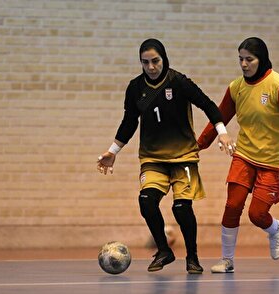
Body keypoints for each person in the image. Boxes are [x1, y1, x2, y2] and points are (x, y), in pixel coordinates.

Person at [97, 38, 235, 274]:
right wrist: (113, 151)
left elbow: (209, 104)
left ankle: (192, 257)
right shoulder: (135, 88)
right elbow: (129, 123)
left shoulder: (178, 81)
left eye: (155, 61)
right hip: (153, 158)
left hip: (184, 158)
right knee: (146, 202)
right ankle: (164, 250)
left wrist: (222, 132)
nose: (151, 67)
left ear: (164, 58)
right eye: (145, 62)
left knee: (181, 207)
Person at [197, 37, 279, 273]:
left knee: (257, 214)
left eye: (249, 59)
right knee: (232, 205)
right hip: (244, 155)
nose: (244, 64)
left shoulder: (278, 86)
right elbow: (219, 118)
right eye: (240, 59)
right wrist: (198, 145)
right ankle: (227, 260)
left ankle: (275, 229)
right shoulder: (236, 87)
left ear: (261, 59)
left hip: (272, 162)